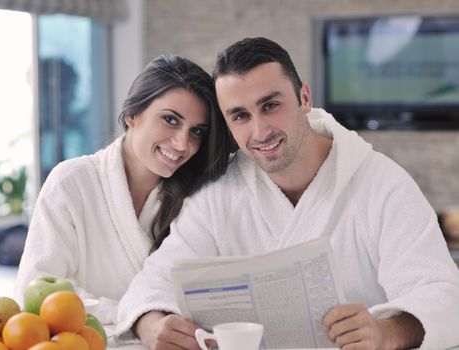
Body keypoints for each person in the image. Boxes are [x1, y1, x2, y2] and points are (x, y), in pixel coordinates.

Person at [115, 38, 459, 350]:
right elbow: (152, 284)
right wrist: (152, 325)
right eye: (240, 116)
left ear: (304, 98)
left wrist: (385, 333)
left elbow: (443, 296)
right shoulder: (219, 194)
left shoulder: (383, 184)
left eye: (270, 106)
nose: (260, 131)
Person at [13, 55, 232, 328]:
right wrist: (135, 316)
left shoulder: (196, 195)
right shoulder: (71, 183)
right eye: (170, 120)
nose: (182, 143)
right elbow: (35, 294)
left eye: (197, 131)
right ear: (132, 115)